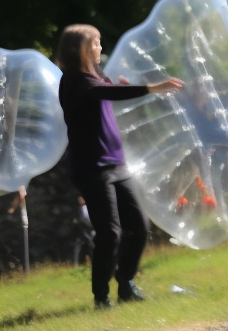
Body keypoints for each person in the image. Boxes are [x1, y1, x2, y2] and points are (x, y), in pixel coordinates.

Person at [55, 24, 183, 307]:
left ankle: (125, 283)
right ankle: (101, 297)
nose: (101, 47)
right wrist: (152, 88)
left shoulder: (95, 75)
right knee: (109, 232)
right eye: (96, 43)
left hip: (116, 163)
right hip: (91, 167)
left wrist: (121, 87)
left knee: (139, 226)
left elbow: (108, 91)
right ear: (83, 48)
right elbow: (104, 94)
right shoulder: (74, 80)